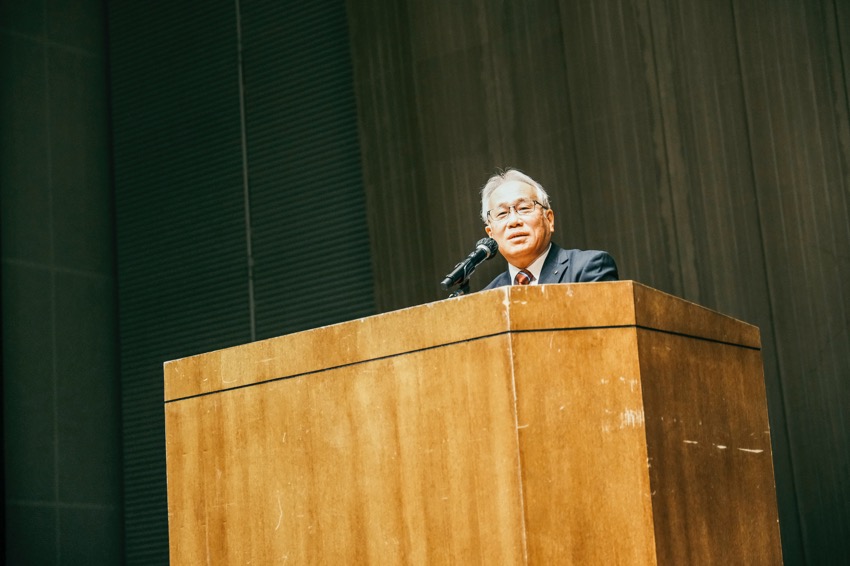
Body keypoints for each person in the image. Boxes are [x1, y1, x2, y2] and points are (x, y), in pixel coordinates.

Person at [480, 168, 618, 289]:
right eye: (502, 213)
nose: (513, 221)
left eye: (523, 208)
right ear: (490, 234)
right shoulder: (486, 297)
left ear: (549, 219)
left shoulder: (588, 268)